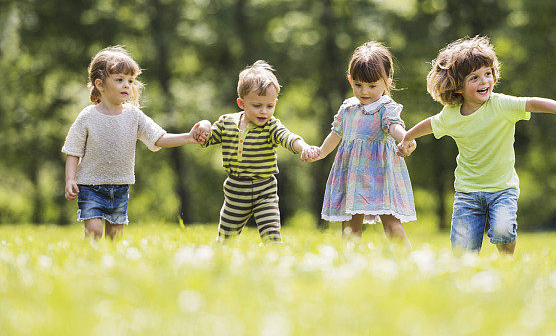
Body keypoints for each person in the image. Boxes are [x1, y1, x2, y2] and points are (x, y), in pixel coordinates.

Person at [397, 36, 556, 254]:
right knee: (462, 251)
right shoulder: (451, 115)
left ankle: (507, 261)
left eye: (488, 73)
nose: (484, 81)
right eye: (474, 77)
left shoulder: (501, 104)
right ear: (458, 86)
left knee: (503, 231)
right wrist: (408, 137)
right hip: (467, 192)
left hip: (502, 189)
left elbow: (531, 103)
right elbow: (431, 125)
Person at [63, 46, 205, 240]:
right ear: (100, 84)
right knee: (95, 231)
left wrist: (188, 137)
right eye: (119, 80)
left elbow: (158, 138)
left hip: (120, 186)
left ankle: (110, 267)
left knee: (115, 236)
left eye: (130, 81)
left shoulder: (133, 116)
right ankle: (91, 262)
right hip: (90, 186)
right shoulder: (88, 116)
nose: (127, 85)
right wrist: (70, 179)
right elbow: (73, 150)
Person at [305, 42, 416, 246]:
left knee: (391, 221)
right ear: (350, 80)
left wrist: (406, 138)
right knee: (350, 224)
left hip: (380, 173)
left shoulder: (385, 107)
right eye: (358, 85)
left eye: (372, 86)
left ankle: (407, 260)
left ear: (387, 82)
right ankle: (349, 261)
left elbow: (394, 127)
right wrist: (321, 152)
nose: (365, 91)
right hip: (353, 173)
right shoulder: (348, 108)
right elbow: (336, 134)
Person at [193, 61, 315, 243]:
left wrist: (304, 147)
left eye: (270, 106)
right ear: (241, 103)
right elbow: (207, 139)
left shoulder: (271, 125)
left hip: (265, 190)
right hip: (235, 190)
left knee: (271, 235)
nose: (264, 111)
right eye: (257, 105)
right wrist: (204, 125)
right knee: (226, 238)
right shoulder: (227, 122)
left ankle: (275, 262)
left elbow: (287, 137)